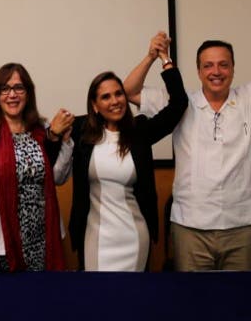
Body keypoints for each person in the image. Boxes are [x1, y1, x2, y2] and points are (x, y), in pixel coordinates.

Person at [123, 0, 251, 271]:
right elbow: (129, 91)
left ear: (232, 68)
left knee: (238, 308)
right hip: (191, 227)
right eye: (208, 66)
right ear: (198, 70)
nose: (216, 72)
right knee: (194, 308)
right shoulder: (180, 103)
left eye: (223, 65)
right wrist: (152, 56)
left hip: (243, 226)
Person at [69, 32, 188, 271]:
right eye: (106, 96)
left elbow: (178, 104)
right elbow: (43, 134)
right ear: (95, 105)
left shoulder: (139, 131)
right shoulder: (80, 130)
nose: (115, 101)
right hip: (95, 238)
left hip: (134, 237)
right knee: (97, 303)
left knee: (134, 302)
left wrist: (161, 58)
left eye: (119, 93)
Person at [0, 63, 74, 271]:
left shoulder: (42, 129)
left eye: (19, 88)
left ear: (28, 93)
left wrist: (64, 142)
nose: (12, 95)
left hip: (42, 235)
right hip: (2, 237)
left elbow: (57, 178)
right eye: (5, 89)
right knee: (4, 300)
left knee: (39, 298)